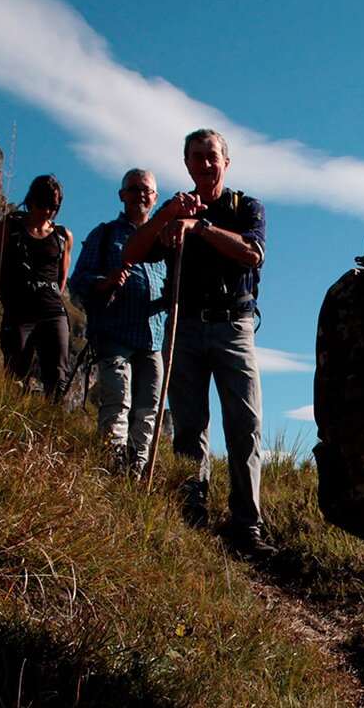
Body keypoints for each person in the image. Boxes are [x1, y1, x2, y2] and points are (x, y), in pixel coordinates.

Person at [121, 128, 275, 559]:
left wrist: (201, 227)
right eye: (197, 157)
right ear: (186, 164)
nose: (206, 164)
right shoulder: (174, 210)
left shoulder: (246, 207)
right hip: (184, 328)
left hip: (233, 326)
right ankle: (193, 513)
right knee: (190, 426)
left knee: (244, 427)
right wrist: (167, 213)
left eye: (212, 156)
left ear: (226, 162)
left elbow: (253, 253)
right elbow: (131, 254)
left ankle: (247, 525)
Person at [69, 168, 169, 478]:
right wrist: (105, 281)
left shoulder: (164, 241)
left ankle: (136, 471)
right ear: (122, 195)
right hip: (115, 332)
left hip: (153, 337)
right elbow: (78, 282)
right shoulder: (105, 234)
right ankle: (112, 466)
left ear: (155, 198)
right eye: (134, 189)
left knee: (149, 408)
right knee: (117, 399)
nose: (141, 194)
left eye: (147, 190)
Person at [0, 174, 75, 400]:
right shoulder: (12, 225)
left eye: (54, 206)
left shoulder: (63, 236)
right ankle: (12, 420)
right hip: (18, 310)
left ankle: (52, 426)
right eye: (43, 204)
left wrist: (52, 295)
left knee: (57, 374)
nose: (48, 211)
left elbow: (62, 277)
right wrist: (6, 298)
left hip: (52, 310)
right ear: (32, 200)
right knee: (16, 371)